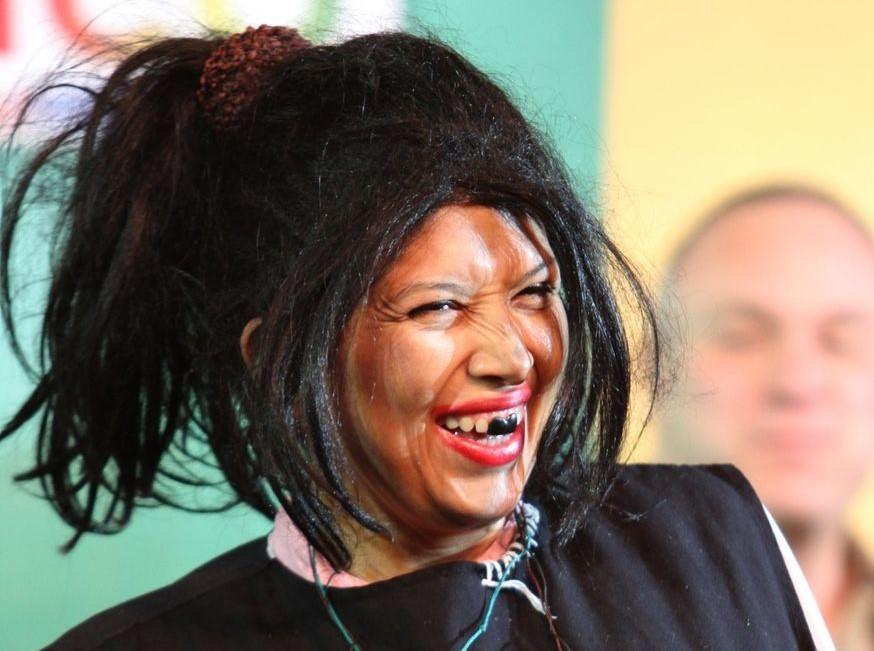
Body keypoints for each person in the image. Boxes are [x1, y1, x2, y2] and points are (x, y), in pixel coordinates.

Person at [2, 28, 829, 649]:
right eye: (439, 307)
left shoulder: (719, 538)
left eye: (535, 292)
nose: (511, 356)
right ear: (277, 360)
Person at [659, 185, 874, 651]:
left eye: (842, 342)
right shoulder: (563, 623)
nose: (797, 382)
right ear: (656, 374)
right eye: (740, 335)